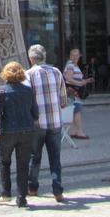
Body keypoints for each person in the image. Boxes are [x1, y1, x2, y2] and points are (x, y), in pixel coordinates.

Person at [0, 61, 39, 208]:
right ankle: (22, 198)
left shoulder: (0, 91)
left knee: (5, 162)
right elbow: (35, 113)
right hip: (26, 131)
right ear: (21, 74)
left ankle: (6, 194)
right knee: (23, 165)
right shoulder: (28, 91)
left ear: (5, 74)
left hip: (8, 132)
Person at [26, 44, 66, 203]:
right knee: (55, 158)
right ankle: (58, 191)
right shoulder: (56, 72)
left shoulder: (28, 74)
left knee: (34, 157)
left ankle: (33, 187)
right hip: (55, 122)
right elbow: (63, 100)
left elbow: (26, 99)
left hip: (37, 123)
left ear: (31, 59)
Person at [63, 48, 93, 139]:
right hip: (73, 91)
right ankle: (79, 131)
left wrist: (85, 81)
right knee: (77, 110)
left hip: (72, 91)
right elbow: (68, 78)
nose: (75, 57)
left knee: (75, 110)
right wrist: (80, 83)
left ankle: (73, 131)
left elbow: (73, 78)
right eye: (73, 55)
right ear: (70, 56)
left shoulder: (73, 65)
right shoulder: (70, 65)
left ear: (80, 56)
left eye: (77, 55)